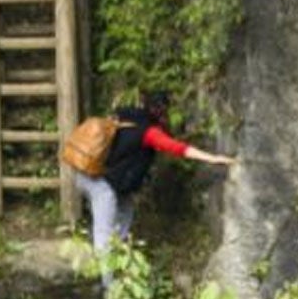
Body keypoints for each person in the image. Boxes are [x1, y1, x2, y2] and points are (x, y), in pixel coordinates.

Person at [74, 96, 235, 282]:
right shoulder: (148, 132)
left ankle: (118, 261)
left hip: (88, 176)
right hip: (100, 183)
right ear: (159, 112)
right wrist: (213, 158)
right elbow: (176, 148)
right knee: (104, 232)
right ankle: (106, 285)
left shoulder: (124, 119)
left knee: (126, 210)